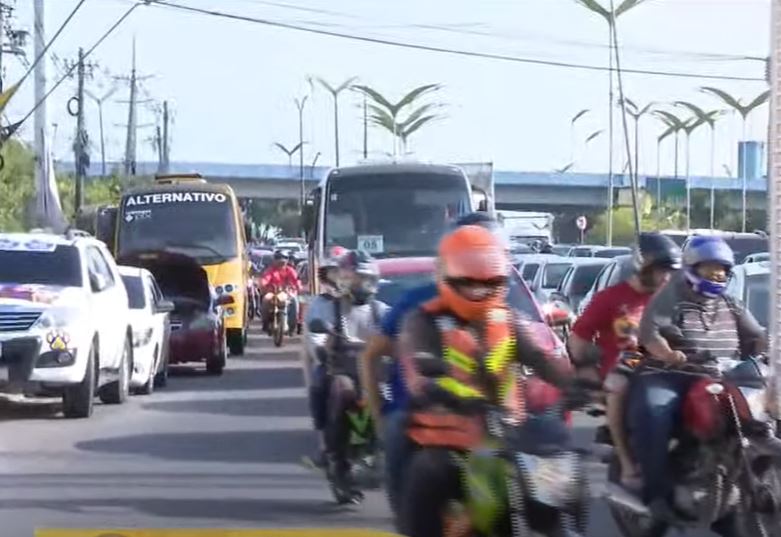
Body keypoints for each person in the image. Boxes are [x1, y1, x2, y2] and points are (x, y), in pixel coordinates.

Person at [397, 225, 583, 537]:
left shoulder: (507, 319)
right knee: (429, 472)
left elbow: (539, 358)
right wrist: (441, 388)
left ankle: (560, 525)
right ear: (449, 278)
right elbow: (417, 364)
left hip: (508, 427)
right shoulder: (424, 320)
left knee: (557, 465)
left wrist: (574, 383)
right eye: (468, 284)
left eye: (487, 284)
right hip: (447, 430)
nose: (478, 292)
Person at [357, 212, 503, 517]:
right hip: (419, 416)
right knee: (398, 439)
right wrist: (380, 415)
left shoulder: (507, 306)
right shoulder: (416, 303)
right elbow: (371, 355)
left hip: (486, 417)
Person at [629, 235, 766, 523]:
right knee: (655, 413)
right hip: (671, 376)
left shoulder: (731, 304)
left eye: (722, 269)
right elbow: (649, 334)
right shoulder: (671, 297)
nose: (717, 274)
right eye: (709, 269)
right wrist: (668, 354)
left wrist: (769, 348)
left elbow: (757, 337)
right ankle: (656, 495)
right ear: (692, 267)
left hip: (720, 377)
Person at [569, 232, 681, 490]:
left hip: (667, 364)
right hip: (630, 364)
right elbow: (578, 342)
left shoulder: (670, 300)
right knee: (619, 385)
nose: (666, 278)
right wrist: (591, 372)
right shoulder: (609, 299)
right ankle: (627, 462)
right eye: (661, 270)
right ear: (644, 266)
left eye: (670, 272)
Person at [306, 249, 389, 503]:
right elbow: (315, 337)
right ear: (344, 279)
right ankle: (334, 456)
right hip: (342, 371)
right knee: (340, 389)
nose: (362, 284)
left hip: (377, 376)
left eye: (366, 278)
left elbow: (403, 334)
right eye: (356, 278)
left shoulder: (382, 311)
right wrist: (321, 345)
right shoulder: (329, 308)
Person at [259, 250, 301, 334]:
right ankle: (265, 322)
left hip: (287, 293)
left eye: (284, 258)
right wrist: (263, 284)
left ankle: (292, 325)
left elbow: (296, 280)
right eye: (278, 258)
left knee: (295, 302)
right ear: (274, 260)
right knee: (265, 300)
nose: (281, 261)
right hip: (273, 292)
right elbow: (265, 279)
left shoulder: (290, 270)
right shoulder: (270, 270)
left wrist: (298, 286)